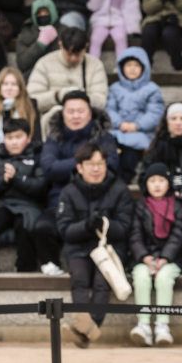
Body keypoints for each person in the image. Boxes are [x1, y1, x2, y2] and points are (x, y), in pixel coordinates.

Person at [56, 142, 133, 349]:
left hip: (109, 249)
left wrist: (105, 225)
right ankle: (86, 331)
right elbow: (65, 230)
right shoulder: (68, 193)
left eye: (100, 163)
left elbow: (125, 228)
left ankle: (85, 330)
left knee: (102, 282)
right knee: (79, 279)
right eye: (91, 164)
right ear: (80, 167)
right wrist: (86, 226)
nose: (96, 169)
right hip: (78, 249)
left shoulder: (120, 190)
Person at [36, 91, 120, 274]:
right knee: (42, 227)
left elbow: (112, 165)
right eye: (70, 111)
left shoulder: (104, 136)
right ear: (62, 113)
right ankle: (50, 265)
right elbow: (49, 168)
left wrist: (66, 166)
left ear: (90, 113)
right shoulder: (54, 137)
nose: (75, 116)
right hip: (60, 201)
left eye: (80, 111)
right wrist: (86, 162)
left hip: (98, 201)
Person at [128, 163, 182, 347]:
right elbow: (135, 235)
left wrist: (165, 258)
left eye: (161, 180)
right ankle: (143, 326)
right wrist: (144, 257)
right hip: (145, 257)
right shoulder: (140, 205)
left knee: (164, 278)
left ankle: (162, 326)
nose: (157, 185)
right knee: (141, 277)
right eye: (152, 181)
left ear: (168, 183)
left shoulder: (177, 205)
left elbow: (179, 235)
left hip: (171, 258)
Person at [0, 118, 48, 272]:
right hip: (3, 205)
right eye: (9, 138)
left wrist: (17, 178)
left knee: (25, 225)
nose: (13, 142)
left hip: (29, 206)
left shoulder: (38, 158)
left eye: (18, 137)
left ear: (29, 138)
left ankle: (25, 268)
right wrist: (3, 181)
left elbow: (40, 187)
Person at [107, 48, 165, 179]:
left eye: (137, 65)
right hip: (116, 131)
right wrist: (120, 124)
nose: (132, 69)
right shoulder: (115, 88)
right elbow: (109, 109)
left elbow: (155, 113)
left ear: (144, 68)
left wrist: (136, 126)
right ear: (121, 67)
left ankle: (125, 180)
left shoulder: (152, 89)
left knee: (130, 156)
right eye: (128, 65)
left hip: (140, 133)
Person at [27, 27, 109, 115]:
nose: (73, 58)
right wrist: (57, 96)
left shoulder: (95, 65)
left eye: (77, 54)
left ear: (86, 46)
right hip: (52, 117)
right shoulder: (44, 63)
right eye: (69, 54)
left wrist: (81, 97)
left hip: (84, 117)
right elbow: (31, 101)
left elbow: (101, 102)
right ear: (61, 45)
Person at [140, 104, 182, 191]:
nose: (178, 123)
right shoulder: (156, 148)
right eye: (173, 118)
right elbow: (143, 178)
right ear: (167, 122)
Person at [0, 67, 40, 162]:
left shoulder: (30, 108)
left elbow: (37, 142)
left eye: (14, 84)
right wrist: (6, 148)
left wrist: (19, 150)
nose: (9, 88)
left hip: (27, 161)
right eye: (5, 84)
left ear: (20, 87)